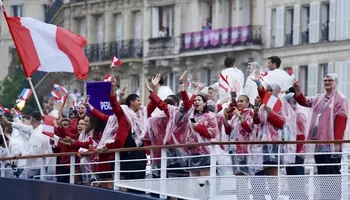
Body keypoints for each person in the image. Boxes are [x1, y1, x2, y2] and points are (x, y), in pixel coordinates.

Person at [293, 73, 349, 199]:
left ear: (336, 83)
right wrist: (298, 90)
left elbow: (341, 120)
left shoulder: (341, 99)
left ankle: (334, 197)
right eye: (325, 80)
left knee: (332, 172)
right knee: (322, 173)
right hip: (318, 143)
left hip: (331, 144)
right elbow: (305, 102)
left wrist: (336, 143)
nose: (327, 82)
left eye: (330, 80)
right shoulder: (319, 97)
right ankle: (325, 197)